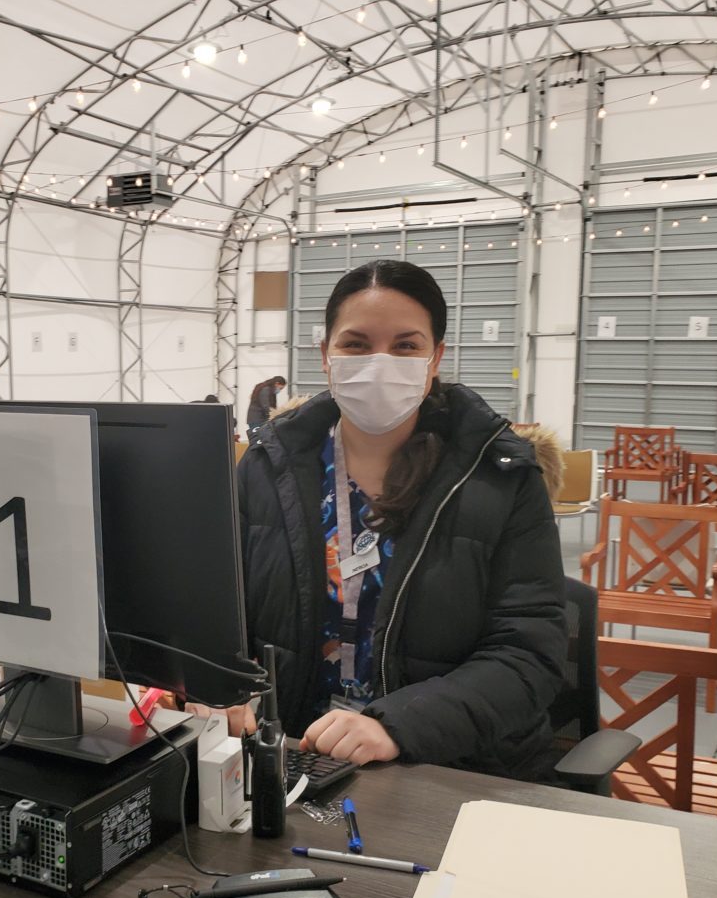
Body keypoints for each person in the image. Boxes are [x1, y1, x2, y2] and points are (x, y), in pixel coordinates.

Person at [231, 260, 566, 780]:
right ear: (325, 355)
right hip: (294, 760)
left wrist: (400, 725)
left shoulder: (500, 478)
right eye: (356, 344)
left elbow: (529, 654)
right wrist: (218, 688)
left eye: (406, 346)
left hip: (446, 767)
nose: (379, 362)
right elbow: (221, 614)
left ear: (436, 359)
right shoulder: (268, 466)